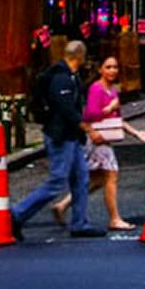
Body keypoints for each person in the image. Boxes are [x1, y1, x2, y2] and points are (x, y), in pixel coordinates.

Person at [13, 39, 104, 240]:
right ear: (80, 57)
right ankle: (17, 214)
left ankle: (80, 223)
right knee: (57, 181)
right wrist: (87, 129)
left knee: (81, 178)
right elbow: (66, 109)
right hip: (61, 136)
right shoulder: (62, 78)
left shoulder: (70, 76)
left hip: (71, 136)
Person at [84, 55, 145, 231]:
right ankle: (114, 218)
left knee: (97, 180)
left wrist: (136, 133)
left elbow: (118, 120)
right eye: (108, 67)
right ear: (100, 70)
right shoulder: (96, 89)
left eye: (115, 67)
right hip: (97, 139)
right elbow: (89, 115)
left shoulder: (112, 90)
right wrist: (110, 108)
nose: (112, 71)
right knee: (111, 175)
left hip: (105, 138)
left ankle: (63, 205)